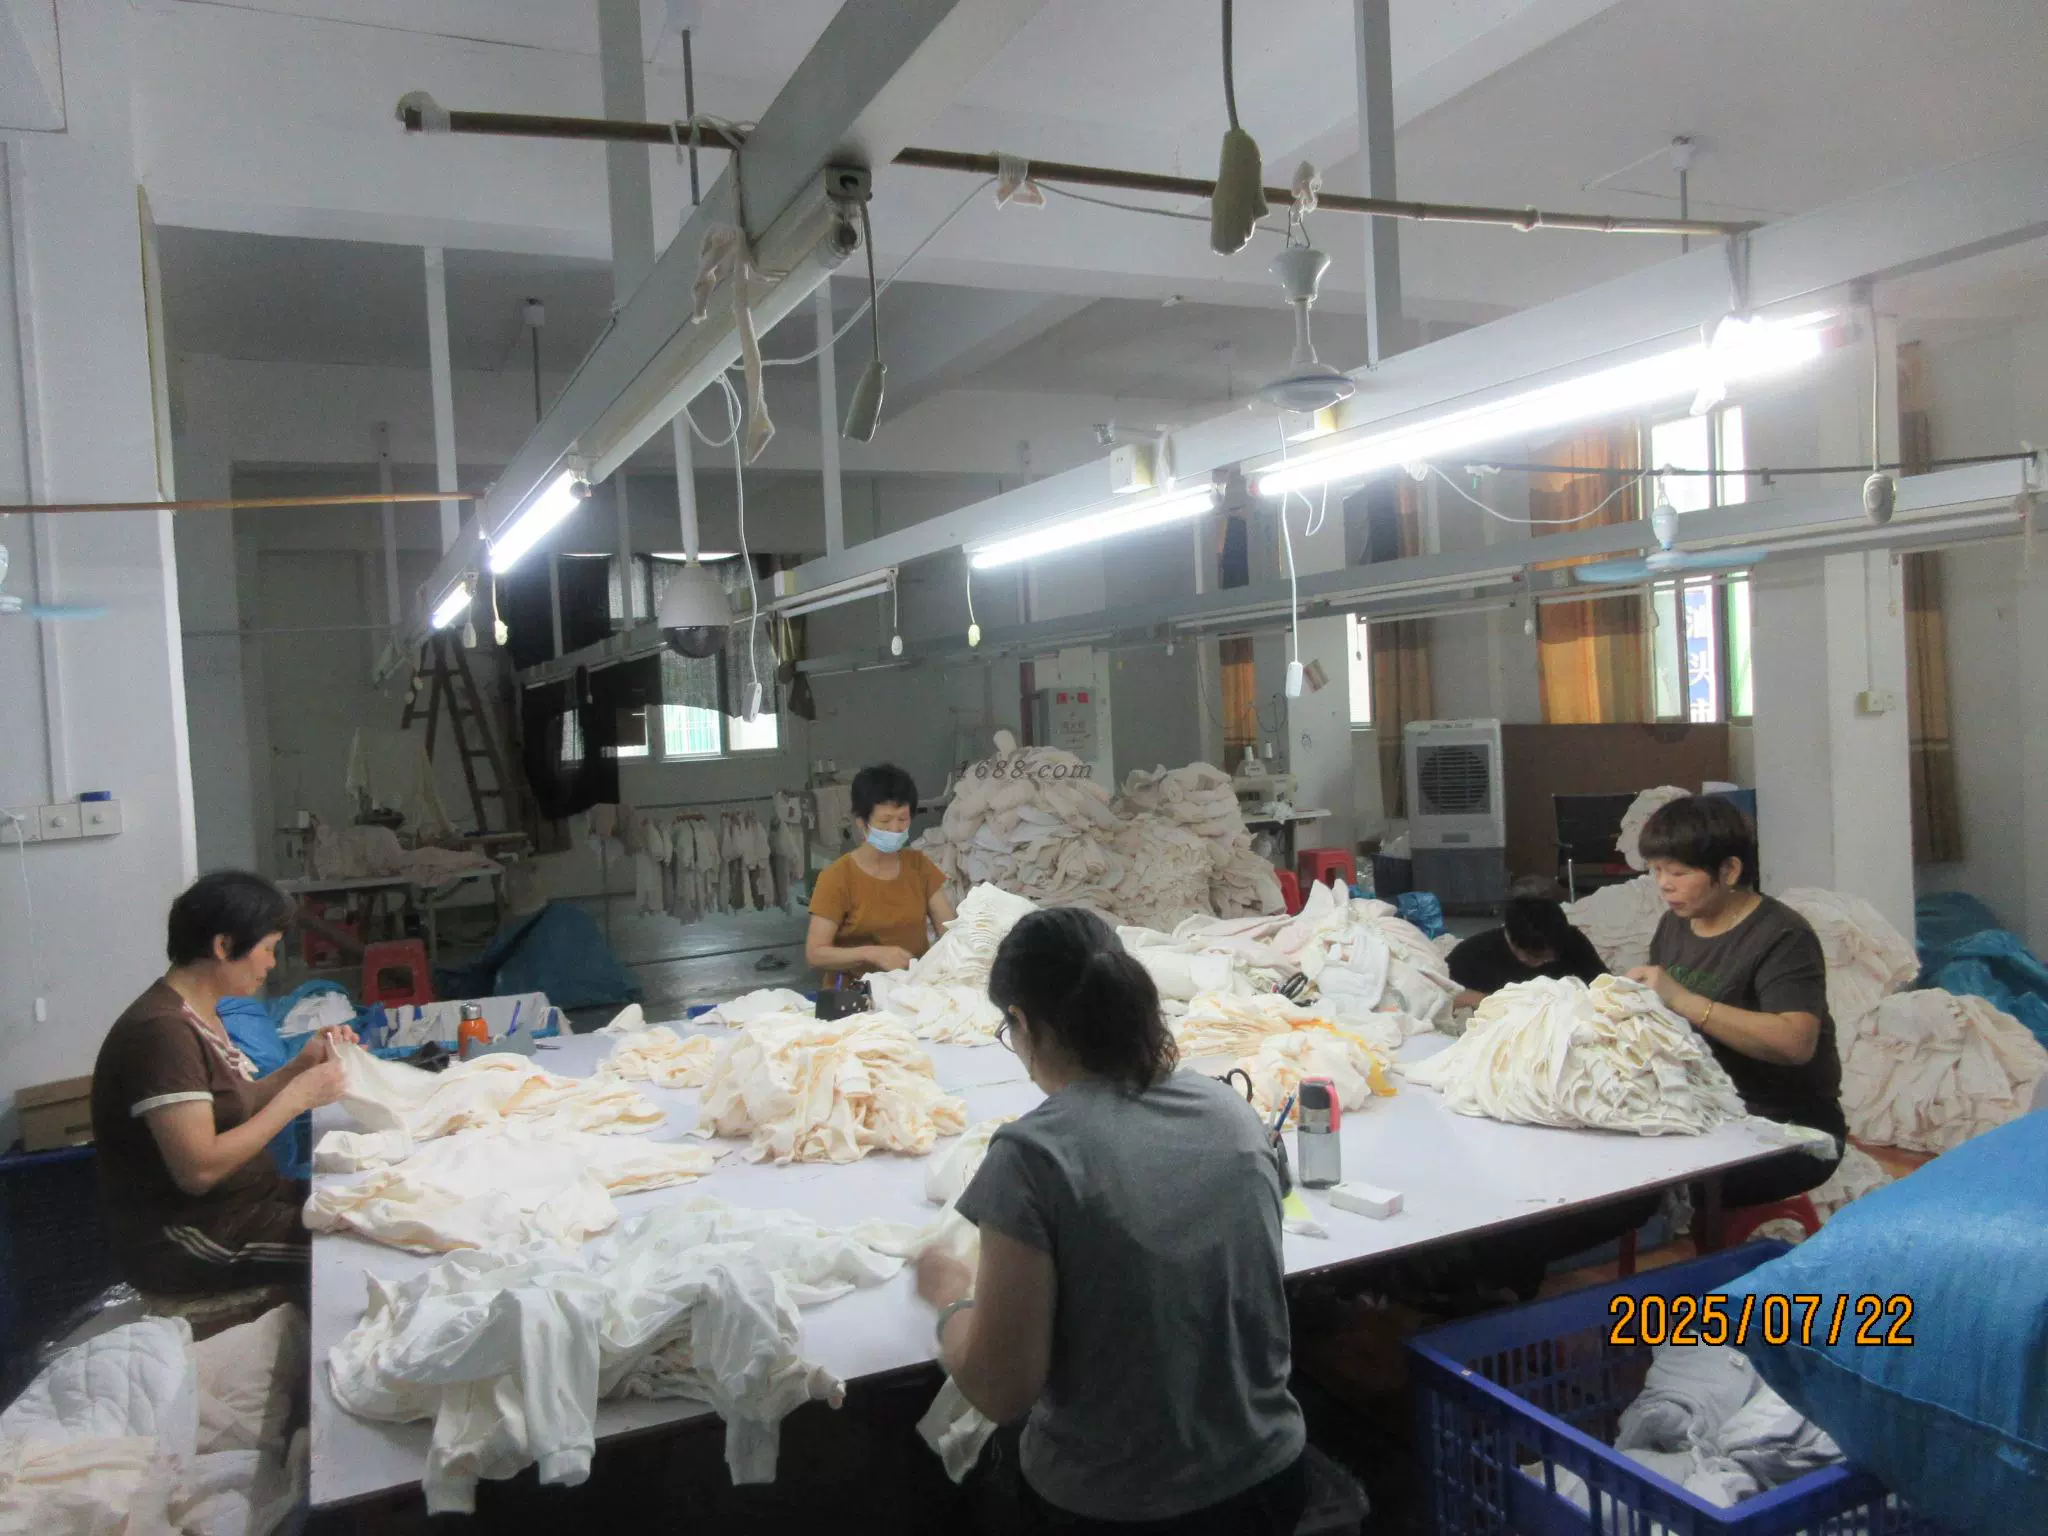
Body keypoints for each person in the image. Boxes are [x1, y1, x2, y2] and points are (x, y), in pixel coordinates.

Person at [914, 908, 1309, 1533]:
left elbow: (1001, 1390)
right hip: (1270, 1479)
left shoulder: (1033, 1155)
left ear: (1022, 1022)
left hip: (1120, 1508)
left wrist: (950, 1300)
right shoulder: (1229, 1110)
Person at [92, 870, 353, 1295]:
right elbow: (199, 1169)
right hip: (191, 1235)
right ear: (224, 946)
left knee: (373, 1202)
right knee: (359, 1244)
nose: (271, 963)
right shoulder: (162, 1033)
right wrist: (296, 1098)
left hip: (246, 1202)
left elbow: (233, 1106)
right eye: (267, 949)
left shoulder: (199, 1012)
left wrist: (300, 1067)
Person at [1626, 795, 1846, 1205]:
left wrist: (1682, 999)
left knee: (1644, 1187)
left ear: (1729, 870)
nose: (1664, 884)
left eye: (1678, 872)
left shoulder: (1782, 935)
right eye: (1656, 870)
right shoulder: (1675, 924)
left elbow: (1795, 1043)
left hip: (1782, 1122)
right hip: (1704, 1108)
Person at [805, 763, 956, 983]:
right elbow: (815, 954)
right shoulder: (837, 877)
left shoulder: (919, 866)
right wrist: (871, 954)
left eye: (902, 819)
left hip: (912, 988)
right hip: (856, 994)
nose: (895, 829)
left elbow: (949, 930)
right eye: (885, 821)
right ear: (862, 822)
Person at [1447, 878, 1607, 1007]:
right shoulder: (1472, 955)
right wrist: (1494, 1003)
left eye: (1553, 957)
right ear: (1512, 940)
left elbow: (1604, 986)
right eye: (1537, 956)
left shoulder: (1571, 940)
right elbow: (1445, 994)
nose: (1548, 960)